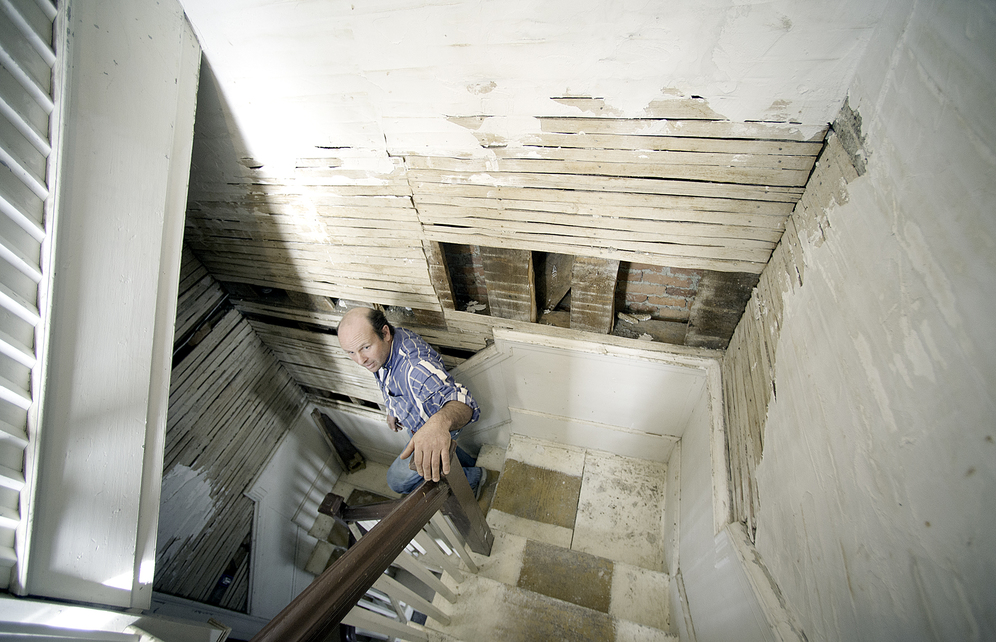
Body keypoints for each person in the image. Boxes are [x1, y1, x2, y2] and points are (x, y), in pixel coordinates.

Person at [336, 307, 486, 495]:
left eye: (365, 347)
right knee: (445, 452)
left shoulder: (414, 369)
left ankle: (473, 478)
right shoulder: (382, 352)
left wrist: (438, 424)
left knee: (396, 482)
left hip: (435, 425)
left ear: (385, 333)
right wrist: (392, 409)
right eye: (351, 352)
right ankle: (471, 465)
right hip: (415, 423)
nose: (360, 360)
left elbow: (464, 403)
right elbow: (386, 379)